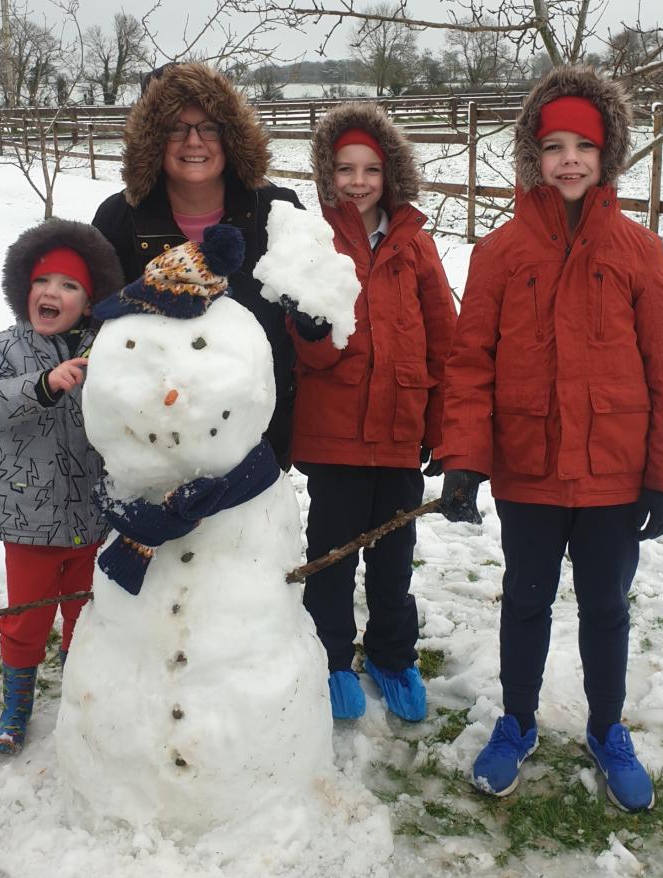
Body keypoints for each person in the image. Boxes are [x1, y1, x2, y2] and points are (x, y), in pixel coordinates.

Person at [436, 67, 663, 811]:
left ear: (607, 152)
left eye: (585, 144)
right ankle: (516, 720)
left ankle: (607, 727)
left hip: (616, 474)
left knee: (606, 607)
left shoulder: (637, 250)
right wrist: (464, 461)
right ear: (533, 156)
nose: (570, 159)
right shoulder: (501, 252)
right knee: (525, 598)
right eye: (554, 146)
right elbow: (470, 364)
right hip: (531, 470)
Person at [284, 102, 457, 722]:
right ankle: (331, 656)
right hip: (335, 435)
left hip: (402, 430)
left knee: (393, 554)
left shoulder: (414, 243)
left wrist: (442, 429)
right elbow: (302, 344)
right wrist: (308, 331)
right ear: (327, 174)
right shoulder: (312, 240)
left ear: (391, 175)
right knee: (334, 553)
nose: (358, 181)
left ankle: (391, 652)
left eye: (371, 170)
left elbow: (445, 337)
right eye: (345, 169)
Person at [0, 219, 124, 754]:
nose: (52, 292)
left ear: (89, 297)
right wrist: (41, 386)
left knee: (88, 615)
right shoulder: (3, 348)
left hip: (92, 517)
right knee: (26, 617)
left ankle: (81, 697)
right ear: (23, 289)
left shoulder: (111, 347)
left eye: (69, 285)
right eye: (42, 281)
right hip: (27, 516)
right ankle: (18, 704)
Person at [92, 62, 303, 468]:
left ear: (231, 136)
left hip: (255, 430)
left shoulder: (276, 210)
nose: (194, 141)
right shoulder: (120, 218)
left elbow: (316, 312)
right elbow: (88, 319)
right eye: (176, 128)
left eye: (209, 127)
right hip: (151, 438)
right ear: (153, 139)